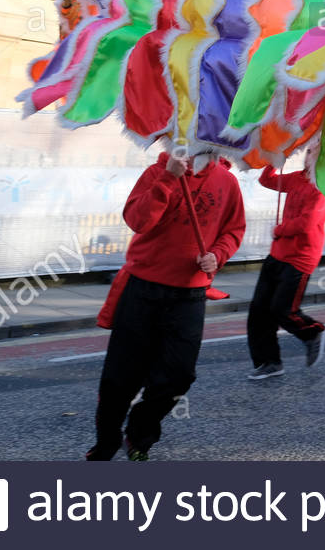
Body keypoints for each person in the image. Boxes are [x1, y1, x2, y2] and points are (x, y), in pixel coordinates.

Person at [86, 149, 246, 460]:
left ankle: (139, 433)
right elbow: (137, 220)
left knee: (179, 376)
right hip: (143, 290)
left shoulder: (227, 181)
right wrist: (169, 177)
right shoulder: (155, 172)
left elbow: (234, 229)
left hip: (190, 294)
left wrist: (218, 253)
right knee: (121, 378)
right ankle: (106, 443)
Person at [246, 152, 325, 379]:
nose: (308, 156)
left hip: (300, 258)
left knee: (283, 310)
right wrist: (273, 162)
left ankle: (313, 332)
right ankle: (269, 362)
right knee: (258, 310)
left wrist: (280, 230)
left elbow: (308, 222)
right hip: (278, 253)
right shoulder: (296, 178)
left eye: (315, 152)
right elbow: (267, 181)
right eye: (308, 151)